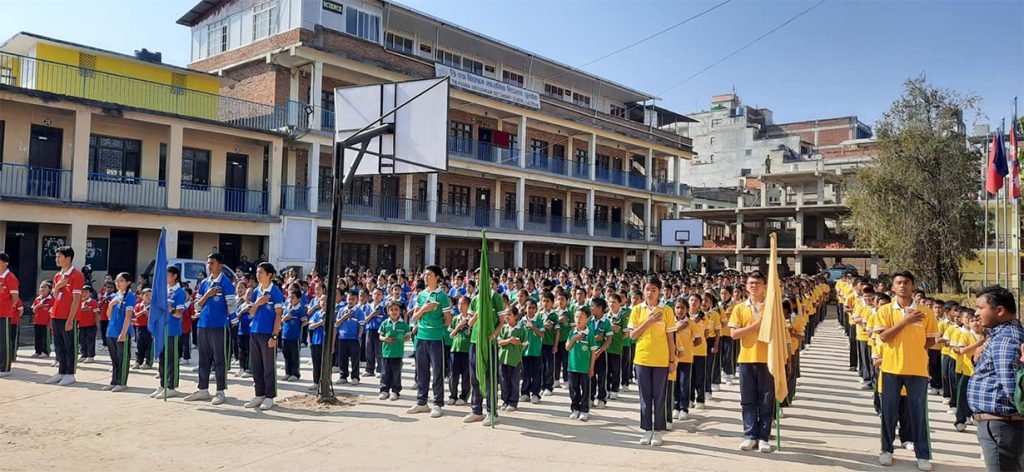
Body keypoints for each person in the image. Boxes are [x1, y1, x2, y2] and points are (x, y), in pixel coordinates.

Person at [875, 271, 937, 470]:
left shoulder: (926, 312)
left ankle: (923, 454)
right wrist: (905, 322)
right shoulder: (885, 310)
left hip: (917, 370)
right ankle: (886, 449)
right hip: (891, 368)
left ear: (913, 286)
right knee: (888, 412)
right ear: (893, 287)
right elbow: (883, 337)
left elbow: (931, 340)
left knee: (918, 413)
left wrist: (914, 351)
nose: (903, 286)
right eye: (899, 283)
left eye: (907, 282)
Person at [967, 285, 1024, 472]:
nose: (976, 313)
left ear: (999, 310)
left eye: (980, 308)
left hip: (1002, 427)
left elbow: (1010, 387)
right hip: (1001, 425)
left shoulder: (1005, 339)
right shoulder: (1000, 335)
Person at [729, 271, 774, 454]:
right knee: (748, 400)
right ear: (746, 286)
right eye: (750, 283)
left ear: (764, 286)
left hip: (767, 360)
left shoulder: (772, 308)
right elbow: (733, 334)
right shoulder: (740, 308)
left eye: (757, 283)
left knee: (766, 400)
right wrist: (755, 326)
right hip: (746, 359)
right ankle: (749, 435)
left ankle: (763, 437)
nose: (754, 286)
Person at [184, 253, 237, 406]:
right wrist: (207, 294)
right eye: (208, 263)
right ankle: (202, 389)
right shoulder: (204, 283)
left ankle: (220, 391)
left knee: (219, 360)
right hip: (203, 325)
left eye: (212, 262)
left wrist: (233, 322)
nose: (209, 265)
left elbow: (232, 306)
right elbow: (197, 305)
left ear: (220, 265)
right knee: (203, 359)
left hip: (219, 326)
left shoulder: (226, 283)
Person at [628, 277, 676, 447]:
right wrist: (648, 321)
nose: (650, 292)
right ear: (643, 290)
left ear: (659, 291)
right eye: (647, 289)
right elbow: (633, 335)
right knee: (645, 396)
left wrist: (672, 359)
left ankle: (658, 430)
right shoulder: (637, 310)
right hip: (642, 358)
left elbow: (671, 337)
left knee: (660, 395)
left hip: (661, 359)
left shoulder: (667, 311)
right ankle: (647, 428)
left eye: (654, 289)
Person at [407, 265, 451, 418]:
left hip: (436, 339)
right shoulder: (421, 295)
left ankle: (438, 403)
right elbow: (414, 317)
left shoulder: (442, 297)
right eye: (425, 274)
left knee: (438, 372)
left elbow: (448, 320)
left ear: (437, 277)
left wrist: (437, 328)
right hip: (421, 338)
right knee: (422, 371)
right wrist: (424, 309)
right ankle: (421, 402)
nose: (426, 277)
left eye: (429, 274)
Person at [245, 262, 283, 410]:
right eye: (257, 272)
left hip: (268, 333)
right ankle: (259, 394)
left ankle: (269, 396)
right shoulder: (256, 291)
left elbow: (279, 315)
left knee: (268, 367)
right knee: (256, 366)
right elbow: (252, 313)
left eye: (261, 272)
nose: (258, 275)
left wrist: (274, 336)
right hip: (254, 331)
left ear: (269, 275)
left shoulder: (276, 292)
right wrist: (258, 303)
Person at [45, 247, 84, 386]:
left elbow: (76, 299)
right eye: (56, 256)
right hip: (56, 314)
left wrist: (70, 319)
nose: (56, 259)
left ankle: (70, 373)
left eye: (59, 256)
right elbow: (55, 296)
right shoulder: (57, 276)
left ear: (68, 258)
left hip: (69, 317)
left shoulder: (77, 275)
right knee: (59, 345)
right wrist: (57, 287)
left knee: (69, 345)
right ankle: (61, 371)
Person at [153, 266, 187, 399]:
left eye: (167, 275)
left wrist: (170, 309)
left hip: (172, 330)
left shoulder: (179, 292)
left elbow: (179, 314)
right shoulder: (163, 290)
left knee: (171, 359)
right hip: (161, 329)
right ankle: (162, 384)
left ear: (175, 276)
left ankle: (171, 386)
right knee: (161, 359)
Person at [104, 273, 135, 392]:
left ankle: (122, 382)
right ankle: (114, 381)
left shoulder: (130, 296)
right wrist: (111, 304)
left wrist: (123, 333)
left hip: (121, 332)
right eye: (117, 281)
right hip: (111, 331)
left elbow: (127, 317)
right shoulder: (116, 295)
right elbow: (108, 315)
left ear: (128, 282)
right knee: (114, 358)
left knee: (123, 358)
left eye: (121, 281)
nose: (118, 283)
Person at [566, 308, 596, 421]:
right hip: (572, 367)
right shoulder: (571, 333)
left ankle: (584, 410)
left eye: (581, 317)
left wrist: (591, 368)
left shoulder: (590, 335)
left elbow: (593, 352)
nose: (578, 319)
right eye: (577, 317)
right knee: (573, 388)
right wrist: (574, 338)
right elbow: (567, 348)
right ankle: (575, 409)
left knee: (585, 389)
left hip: (585, 368)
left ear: (587, 319)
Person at [379, 301, 410, 400]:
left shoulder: (404, 324)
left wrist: (402, 338)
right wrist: (385, 339)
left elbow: (408, 336)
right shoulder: (385, 323)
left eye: (396, 309)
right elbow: (380, 336)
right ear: (388, 311)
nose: (394, 312)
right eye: (391, 310)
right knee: (385, 373)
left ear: (400, 311)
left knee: (396, 373)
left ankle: (395, 391)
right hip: (386, 353)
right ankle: (384, 390)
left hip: (398, 353)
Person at [497, 305, 526, 412]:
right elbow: (499, 342)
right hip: (503, 359)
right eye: (505, 315)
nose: (506, 316)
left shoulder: (521, 329)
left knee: (514, 381)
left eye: (509, 314)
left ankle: (513, 402)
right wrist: (509, 341)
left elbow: (524, 344)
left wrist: (517, 342)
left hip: (515, 360)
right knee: (504, 381)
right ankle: (505, 400)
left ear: (516, 316)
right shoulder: (503, 328)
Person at [335, 291, 363, 385]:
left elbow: (361, 326)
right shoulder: (342, 310)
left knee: (355, 358)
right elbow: (337, 324)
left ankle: (355, 376)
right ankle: (343, 376)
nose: (350, 301)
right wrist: (344, 317)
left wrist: (359, 337)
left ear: (357, 300)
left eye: (353, 299)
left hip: (353, 339)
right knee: (342, 358)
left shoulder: (359, 311)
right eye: (349, 299)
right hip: (342, 338)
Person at [447, 296, 471, 405]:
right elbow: (451, 335)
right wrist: (458, 327)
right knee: (453, 374)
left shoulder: (472, 319)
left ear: (469, 306)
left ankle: (464, 396)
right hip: (455, 349)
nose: (461, 306)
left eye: (463, 304)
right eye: (459, 304)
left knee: (466, 375)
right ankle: (453, 395)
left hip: (467, 350)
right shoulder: (456, 318)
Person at [280, 289, 306, 382]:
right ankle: (288, 372)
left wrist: (298, 325)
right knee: (286, 354)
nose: (290, 299)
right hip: (285, 335)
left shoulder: (300, 309)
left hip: (295, 337)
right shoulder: (287, 307)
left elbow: (305, 321)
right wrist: (285, 318)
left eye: (293, 298)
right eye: (289, 297)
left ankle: (295, 373)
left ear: (299, 299)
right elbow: (282, 319)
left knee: (294, 355)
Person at [0, 253, 19, 377]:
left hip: (5, 314)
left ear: (5, 263)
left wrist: (8, 307)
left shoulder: (10, 277)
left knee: (4, 341)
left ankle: (5, 368)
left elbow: (15, 298)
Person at [76, 286, 99, 364]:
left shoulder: (93, 302)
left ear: (90, 293)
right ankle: (83, 355)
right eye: (82, 292)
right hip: (81, 325)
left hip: (91, 325)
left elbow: (96, 314)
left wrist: (97, 324)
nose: (84, 294)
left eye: (86, 292)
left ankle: (90, 356)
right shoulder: (78, 302)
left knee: (90, 341)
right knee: (82, 341)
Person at [31, 281, 53, 358]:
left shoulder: (51, 300)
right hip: (37, 321)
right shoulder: (38, 299)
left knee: (45, 338)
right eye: (41, 287)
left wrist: (50, 323)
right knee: (37, 337)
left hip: (46, 322)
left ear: (49, 290)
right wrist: (38, 306)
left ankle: (45, 351)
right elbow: (33, 310)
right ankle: (38, 351)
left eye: (45, 287)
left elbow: (52, 312)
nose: (42, 289)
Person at [132, 289, 153, 370]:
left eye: (150, 295)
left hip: (149, 328)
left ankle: (148, 362)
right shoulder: (138, 306)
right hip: (140, 327)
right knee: (139, 345)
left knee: (149, 345)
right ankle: (138, 361)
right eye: (147, 295)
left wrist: (148, 314)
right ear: (142, 296)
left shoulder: (152, 306)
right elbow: (134, 315)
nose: (149, 297)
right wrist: (142, 312)